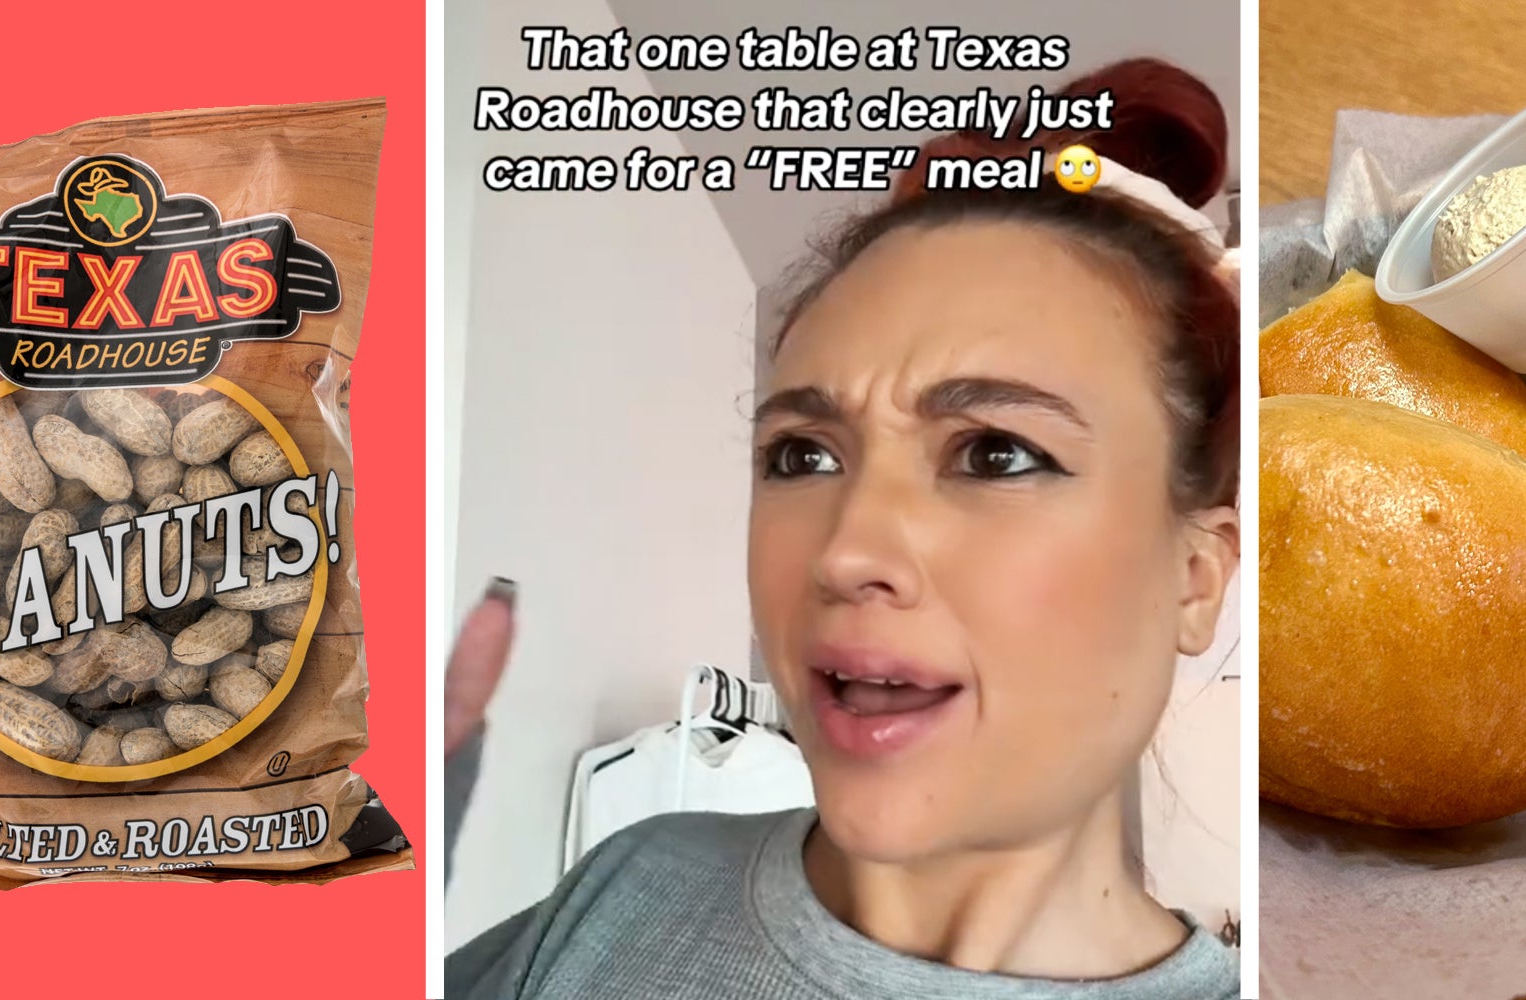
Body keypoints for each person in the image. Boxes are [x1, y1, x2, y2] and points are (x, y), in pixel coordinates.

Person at [447, 57, 1242, 1000]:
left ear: (1195, 576)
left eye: (995, 454)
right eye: (802, 456)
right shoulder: (627, 882)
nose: (845, 551)